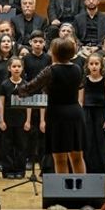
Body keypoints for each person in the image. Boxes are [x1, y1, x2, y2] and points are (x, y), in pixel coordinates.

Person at [17, 37, 87, 173]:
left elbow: (29, 88)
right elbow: (81, 85)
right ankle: (81, 191)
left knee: (60, 158)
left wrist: (14, 90)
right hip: (75, 113)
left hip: (57, 114)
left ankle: (63, 192)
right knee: (77, 157)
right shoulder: (77, 68)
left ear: (54, 53)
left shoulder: (50, 70)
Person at [0, 57, 33, 179]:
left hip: (21, 120)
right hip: (8, 119)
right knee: (7, 145)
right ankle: (8, 170)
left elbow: (29, 104)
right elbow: (1, 103)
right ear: (9, 68)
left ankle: (20, 170)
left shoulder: (26, 84)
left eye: (19, 66)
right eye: (14, 66)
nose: (16, 69)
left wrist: (28, 120)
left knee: (21, 146)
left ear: (22, 68)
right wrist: (1, 120)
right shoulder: (5, 84)